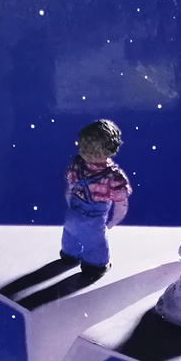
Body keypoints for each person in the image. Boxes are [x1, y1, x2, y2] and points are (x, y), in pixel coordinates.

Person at [59, 119, 131, 280]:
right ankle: (70, 255)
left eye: (95, 150)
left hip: (94, 218)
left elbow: (121, 203)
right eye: (84, 147)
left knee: (95, 243)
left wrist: (113, 221)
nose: (88, 153)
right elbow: (70, 187)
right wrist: (69, 201)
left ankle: (95, 266)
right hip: (73, 213)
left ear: (110, 150)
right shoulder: (77, 164)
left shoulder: (113, 177)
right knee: (70, 235)